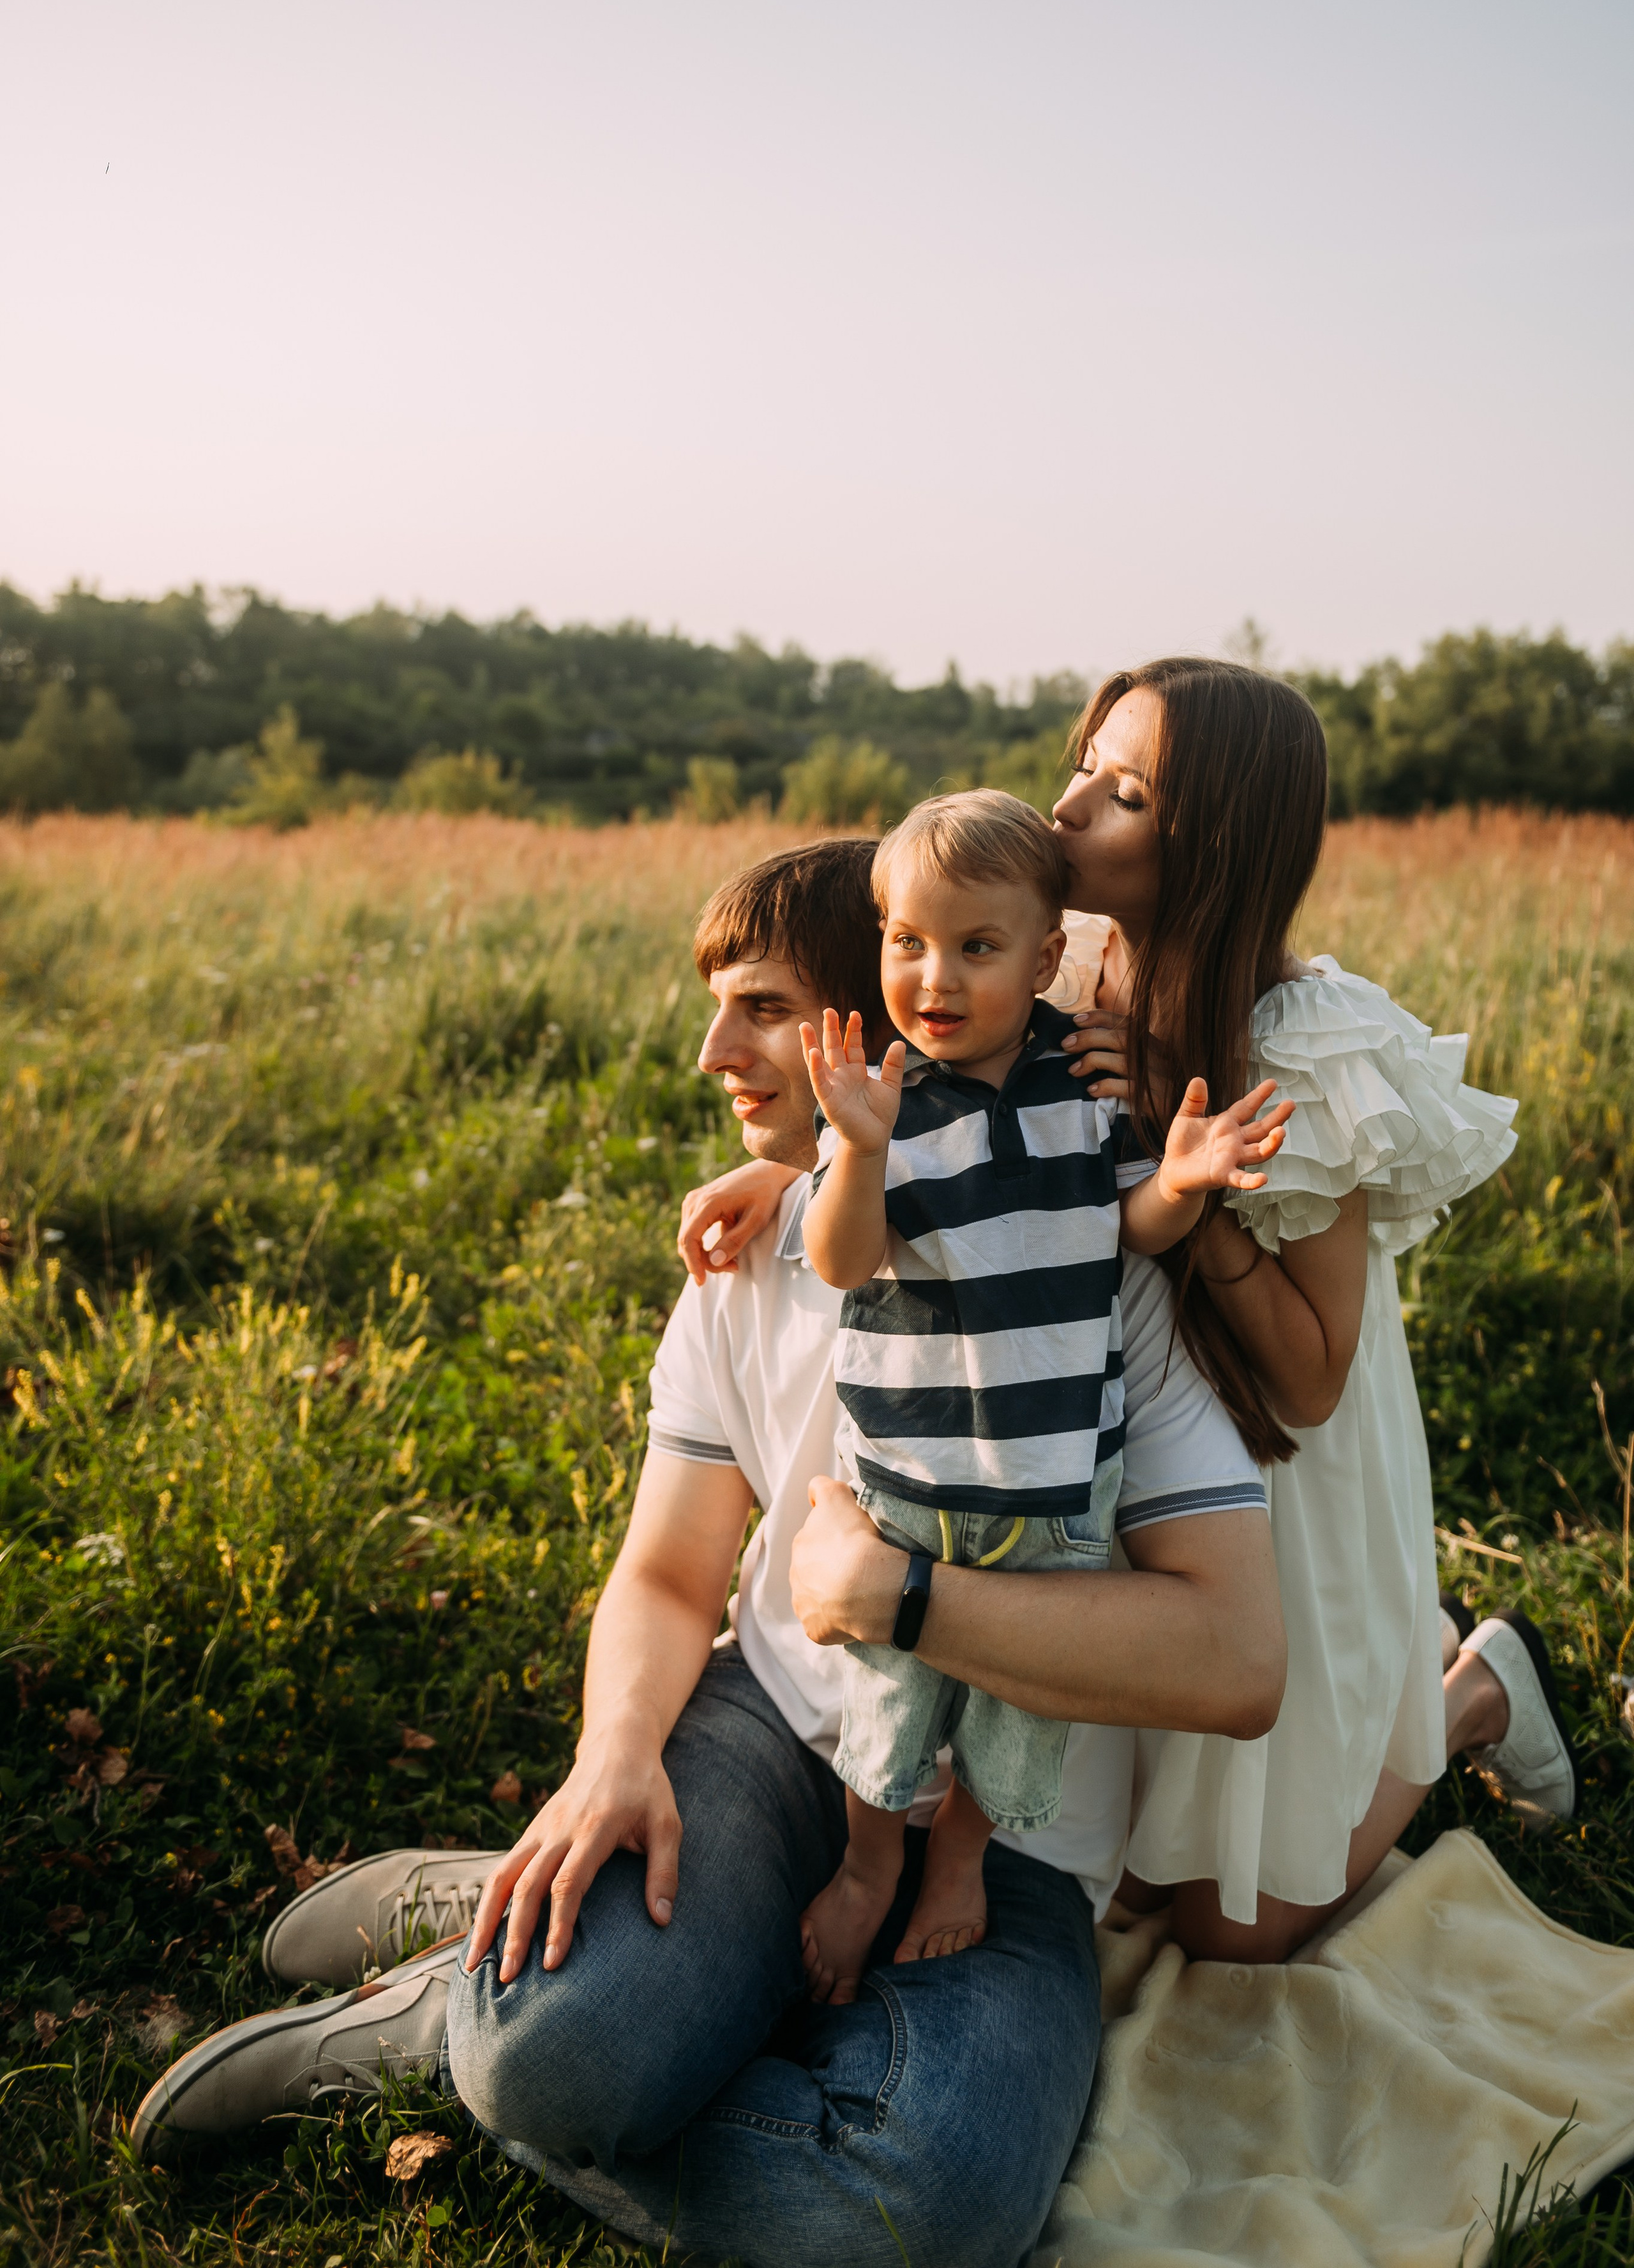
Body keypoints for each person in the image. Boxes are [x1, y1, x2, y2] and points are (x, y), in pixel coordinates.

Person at [133, 836, 1286, 2268]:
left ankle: (557, 1994)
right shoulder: (741, 1262)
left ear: (855, 1029)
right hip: (772, 1739)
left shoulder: (1093, 1278)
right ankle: (472, 2007)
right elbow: (673, 1575)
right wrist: (616, 1756)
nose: (707, 1051)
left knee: (921, 2218)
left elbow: (1240, 1663)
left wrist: (912, 1599)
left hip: (1008, 1850)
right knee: (549, 2062)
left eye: (756, 1007)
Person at [690, 662, 1577, 1971]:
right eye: (1078, 764)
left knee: (1235, 1925)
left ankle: (1473, 1686)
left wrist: (1181, 1160)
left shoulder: (1308, 1046)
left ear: (1207, 842)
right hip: (1106, 1429)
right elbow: (969, 1116)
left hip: (1282, 1472)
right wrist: (799, 1168)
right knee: (1132, 1849)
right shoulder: (1067, 956)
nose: (1063, 809)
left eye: (1119, 793)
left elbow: (1310, 1382)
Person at [795, 790, 1291, 2003]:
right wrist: (856, 1150)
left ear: (1047, 955)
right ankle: (869, 1868)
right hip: (911, 1483)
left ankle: (962, 1862)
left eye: (976, 946)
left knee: (1019, 1709)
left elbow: (1120, 1228)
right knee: (887, 1707)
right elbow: (842, 1261)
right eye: (908, 942)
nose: (935, 977)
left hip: (1061, 1475)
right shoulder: (882, 1097)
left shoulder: (1081, 1082)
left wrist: (1179, 1184)